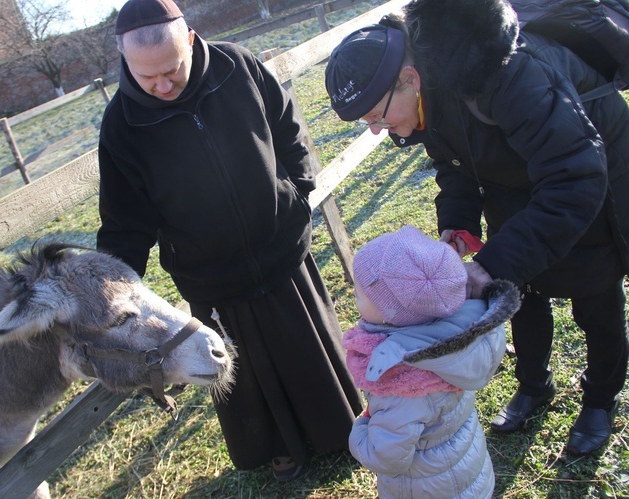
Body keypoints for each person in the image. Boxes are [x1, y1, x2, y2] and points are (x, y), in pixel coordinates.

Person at [324, 0, 629, 456]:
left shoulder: (505, 73)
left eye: (375, 116)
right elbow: (454, 163)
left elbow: (576, 176)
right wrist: (459, 223)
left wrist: (491, 263)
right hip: (517, 182)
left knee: (595, 297)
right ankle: (533, 384)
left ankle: (600, 401)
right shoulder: (431, 91)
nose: (375, 130)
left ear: (410, 79)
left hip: (591, 180)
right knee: (517, 292)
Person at [96, 0, 363, 481]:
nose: (160, 85)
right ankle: (278, 447)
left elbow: (288, 127)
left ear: (192, 41)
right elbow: (124, 221)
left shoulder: (236, 65)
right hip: (210, 275)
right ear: (126, 62)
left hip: (280, 249)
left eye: (170, 70)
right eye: (145, 76)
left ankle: (336, 428)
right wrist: (109, 292)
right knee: (248, 374)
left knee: (306, 349)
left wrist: (298, 193)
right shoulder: (121, 125)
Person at [342, 225, 516, 498]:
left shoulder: (404, 384)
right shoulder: (451, 341)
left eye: (360, 293)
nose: (353, 294)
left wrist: (361, 431)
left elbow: (386, 457)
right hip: (462, 470)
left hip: (426, 488)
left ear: (391, 315)